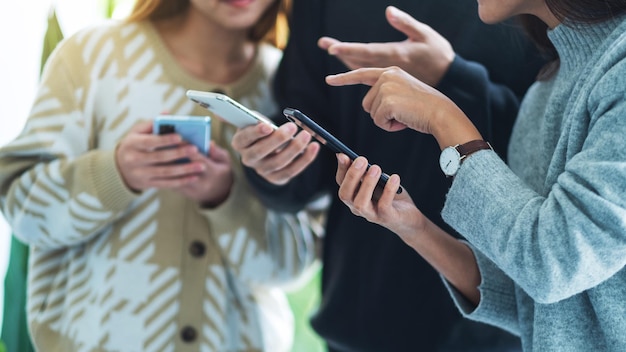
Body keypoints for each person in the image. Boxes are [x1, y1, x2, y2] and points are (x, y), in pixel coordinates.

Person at [0, 0, 324, 351]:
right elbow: (22, 209)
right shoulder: (92, 56)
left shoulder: (291, 86)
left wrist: (226, 198)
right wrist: (117, 172)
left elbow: (292, 264)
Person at [231, 1, 546, 351]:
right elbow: (313, 147)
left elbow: (555, 147)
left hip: (496, 325)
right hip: (362, 319)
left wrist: (451, 79)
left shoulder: (547, 10)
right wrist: (276, 166)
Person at [328, 0, 626, 351]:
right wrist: (413, 227)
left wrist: (442, 117)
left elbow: (555, 264)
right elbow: (539, 305)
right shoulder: (545, 91)